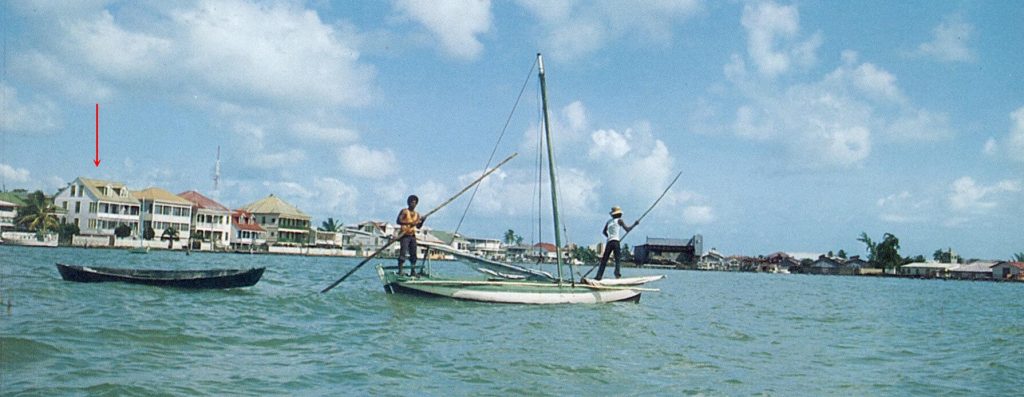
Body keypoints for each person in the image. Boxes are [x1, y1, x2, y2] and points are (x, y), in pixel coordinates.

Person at [595, 206, 638, 280]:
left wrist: (610, 236)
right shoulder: (619, 221)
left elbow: (604, 232)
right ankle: (617, 274)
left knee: (604, 260)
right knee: (617, 259)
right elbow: (627, 229)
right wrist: (635, 224)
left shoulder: (608, 222)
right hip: (616, 242)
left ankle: (599, 276)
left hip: (609, 242)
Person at [396, 194, 426, 276]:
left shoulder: (417, 214)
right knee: (403, 253)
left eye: (415, 203)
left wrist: (422, 221)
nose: (413, 204)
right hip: (404, 235)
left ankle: (413, 271)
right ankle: (400, 270)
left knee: (413, 254)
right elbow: (398, 221)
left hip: (412, 236)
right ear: (409, 203)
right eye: (412, 202)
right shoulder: (404, 211)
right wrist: (410, 223)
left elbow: (418, 226)